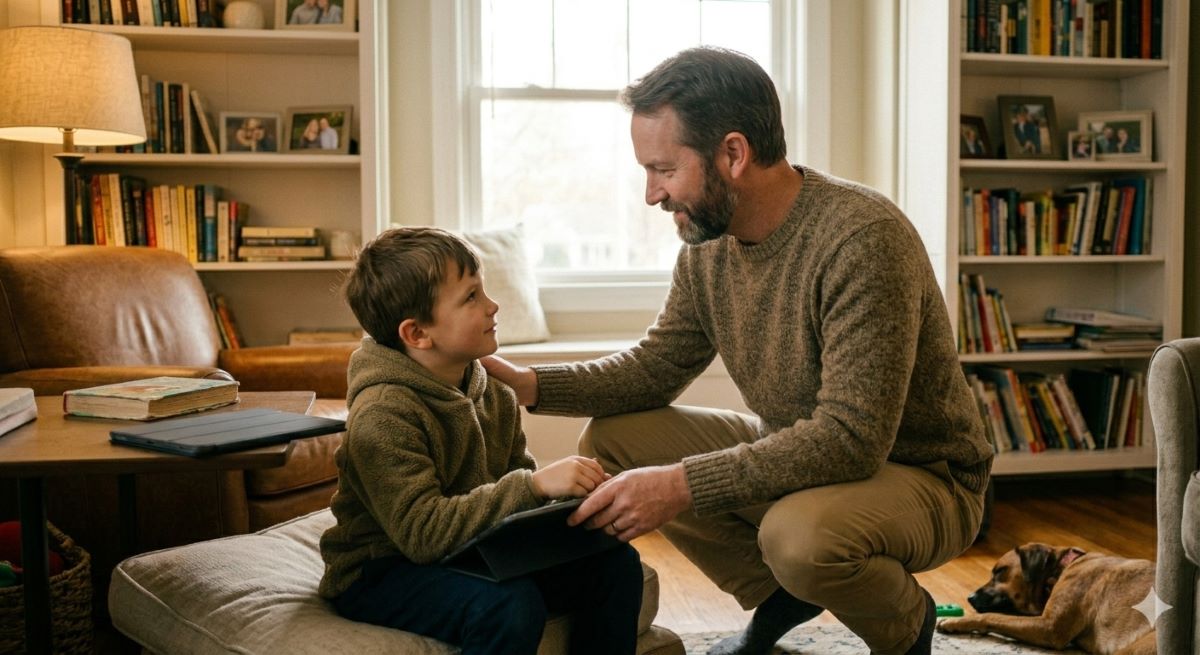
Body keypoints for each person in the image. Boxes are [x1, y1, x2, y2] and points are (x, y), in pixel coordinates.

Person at [483, 47, 993, 655]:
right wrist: (528, 385)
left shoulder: (861, 239)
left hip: (922, 474)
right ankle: (781, 595)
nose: (651, 194)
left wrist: (682, 484)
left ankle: (907, 623)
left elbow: (851, 439)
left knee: (797, 538)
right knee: (615, 441)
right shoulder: (707, 246)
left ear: (733, 153)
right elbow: (654, 369)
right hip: (807, 450)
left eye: (664, 169)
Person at [317, 227, 644, 655]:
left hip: (474, 547)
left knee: (614, 564)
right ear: (417, 334)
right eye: (471, 297)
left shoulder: (492, 391)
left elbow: (517, 491)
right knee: (509, 606)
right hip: (382, 568)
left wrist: (573, 503)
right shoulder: (383, 413)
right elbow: (422, 534)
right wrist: (535, 486)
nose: (492, 306)